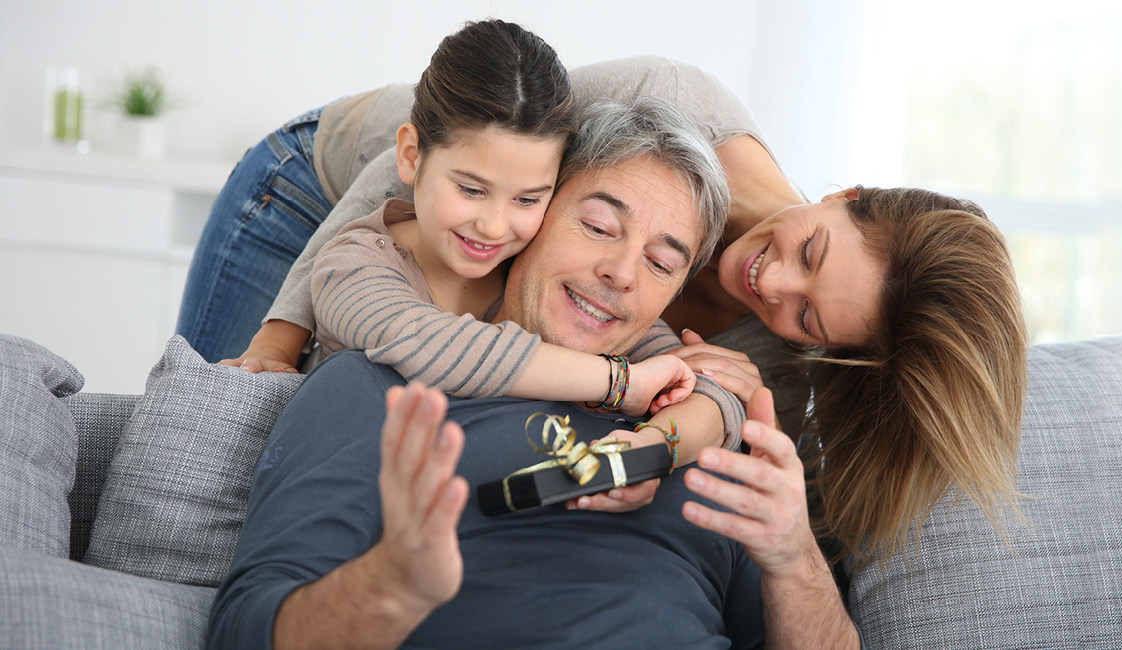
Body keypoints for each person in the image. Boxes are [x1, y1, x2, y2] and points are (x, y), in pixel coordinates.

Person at [180, 54, 1026, 565]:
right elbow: (420, 171)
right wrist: (280, 338)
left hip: (437, 279)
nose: (773, 286)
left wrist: (651, 451)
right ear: (845, 193)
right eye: (811, 254)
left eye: (807, 319)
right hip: (326, 186)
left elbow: (718, 396)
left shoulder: (776, 350)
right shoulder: (673, 98)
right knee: (226, 427)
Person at [206, 97, 862, 649]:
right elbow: (243, 630)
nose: (622, 273)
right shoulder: (375, 387)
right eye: (599, 226)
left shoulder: (699, 439)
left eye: (662, 264)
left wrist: (794, 557)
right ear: (532, 215)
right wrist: (390, 587)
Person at [301, 21, 738, 474]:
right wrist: (622, 383)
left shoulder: (533, 273)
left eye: (527, 200)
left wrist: (646, 452)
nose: (493, 227)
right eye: (471, 190)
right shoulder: (352, 267)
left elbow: (711, 395)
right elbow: (434, 346)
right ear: (412, 157)